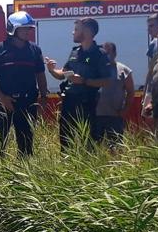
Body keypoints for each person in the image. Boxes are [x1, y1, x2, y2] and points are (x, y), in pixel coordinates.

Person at [0, 11, 48, 157]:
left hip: (27, 102)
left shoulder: (35, 50)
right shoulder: (0, 49)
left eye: (30, 28)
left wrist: (43, 97)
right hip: (2, 101)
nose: (28, 32)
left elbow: (40, 74)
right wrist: (2, 97)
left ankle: (23, 174)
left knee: (26, 144)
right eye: (24, 28)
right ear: (13, 29)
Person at [46, 17, 112, 152]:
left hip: (87, 104)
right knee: (66, 142)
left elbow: (107, 81)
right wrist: (52, 70)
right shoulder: (75, 51)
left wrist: (84, 81)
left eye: (76, 29)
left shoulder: (100, 54)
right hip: (69, 103)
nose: (73, 32)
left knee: (88, 144)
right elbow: (63, 74)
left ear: (87, 32)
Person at [93, 42, 135, 147]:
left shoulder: (123, 70)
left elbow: (130, 92)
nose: (105, 55)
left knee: (115, 147)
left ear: (115, 53)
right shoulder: (94, 69)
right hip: (96, 115)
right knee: (94, 146)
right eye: (103, 53)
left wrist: (125, 110)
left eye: (108, 52)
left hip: (115, 116)